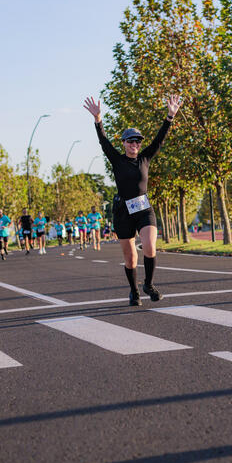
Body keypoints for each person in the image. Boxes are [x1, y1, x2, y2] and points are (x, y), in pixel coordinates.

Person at [84, 94, 181, 306]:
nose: (135, 144)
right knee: (130, 259)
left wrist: (170, 117)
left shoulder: (145, 158)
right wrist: (98, 120)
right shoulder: (117, 160)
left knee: (149, 246)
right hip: (123, 212)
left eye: (137, 141)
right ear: (124, 143)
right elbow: (103, 142)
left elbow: (159, 139)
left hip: (144, 208)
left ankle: (149, 284)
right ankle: (134, 291)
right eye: (130, 141)